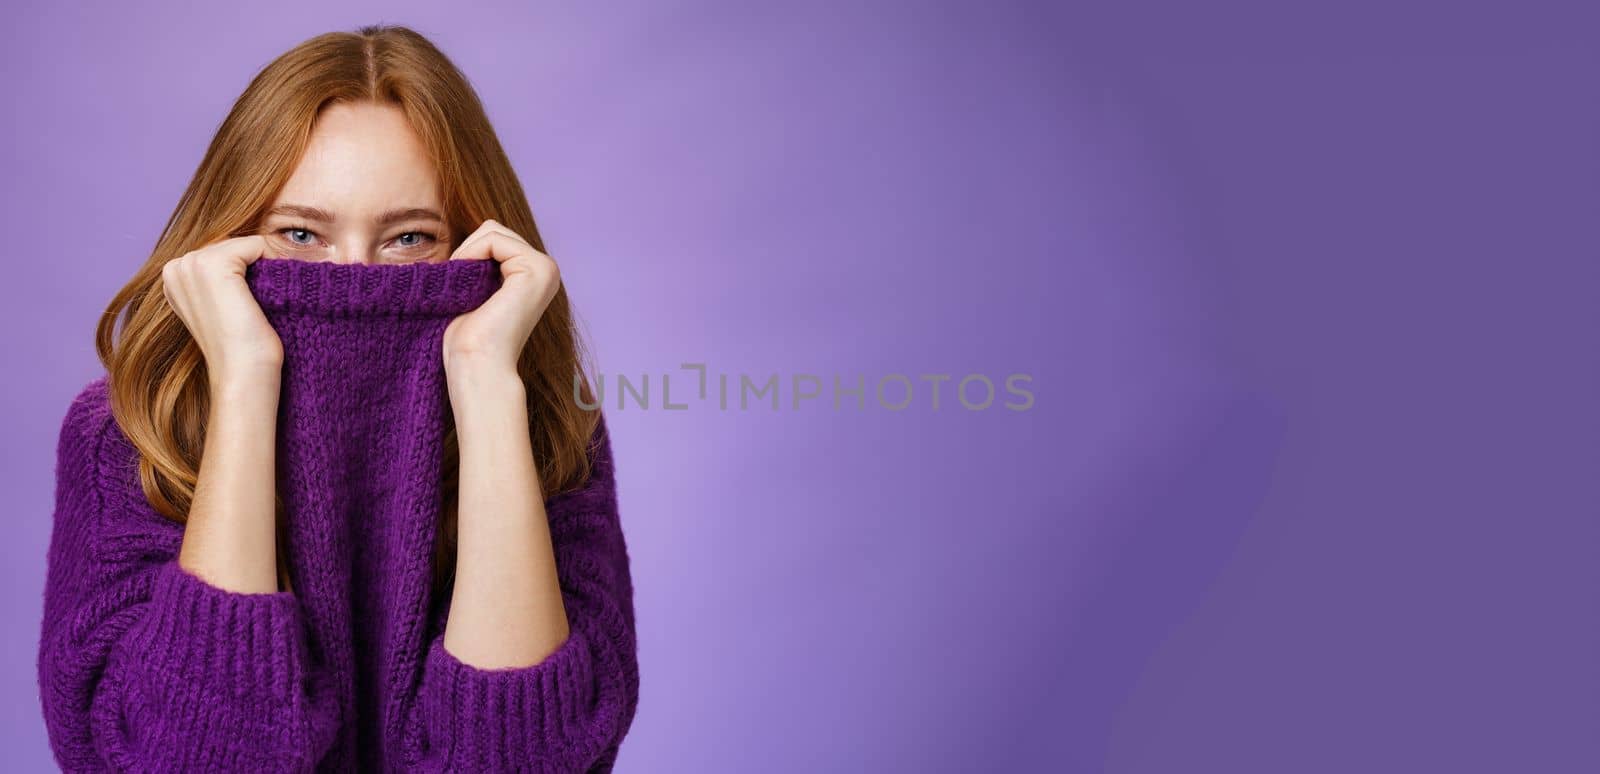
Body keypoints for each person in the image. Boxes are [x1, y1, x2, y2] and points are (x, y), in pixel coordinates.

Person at [36, 24, 639, 772]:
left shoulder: (550, 434)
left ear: (477, 242)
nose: (353, 277)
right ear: (228, 238)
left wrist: (487, 387)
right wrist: (245, 380)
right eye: (299, 233)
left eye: (410, 240)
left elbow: (521, 760)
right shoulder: (128, 435)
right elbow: (186, 759)